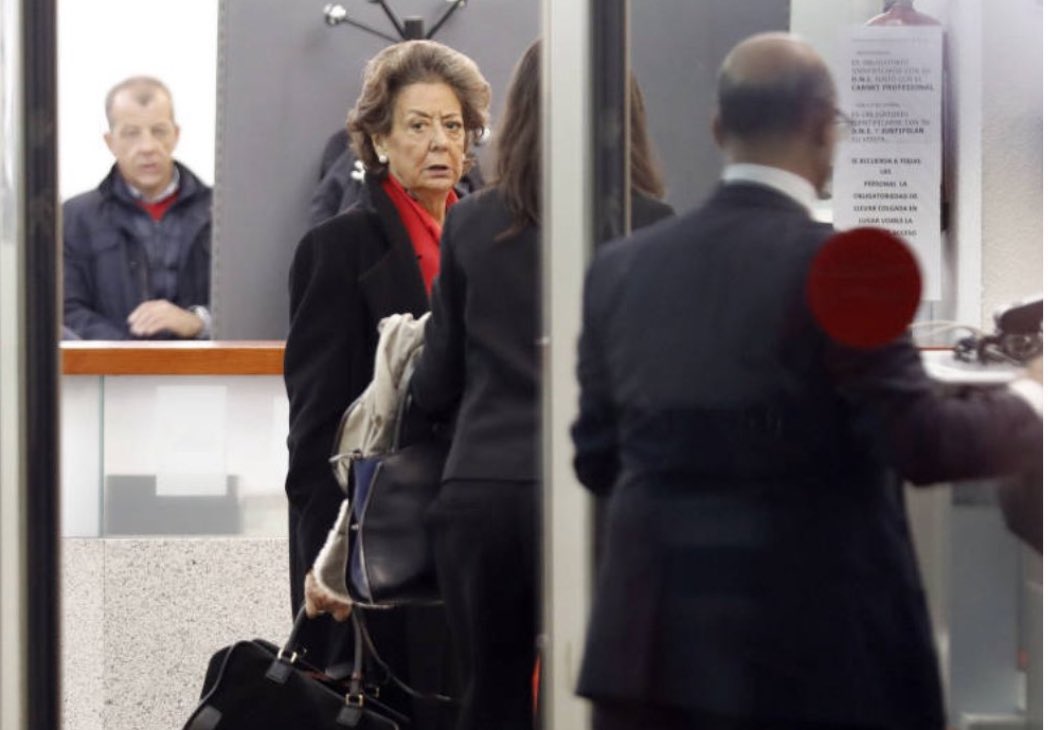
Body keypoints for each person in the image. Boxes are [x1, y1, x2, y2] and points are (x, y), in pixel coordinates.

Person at [572, 32, 1043, 730]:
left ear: (717, 128)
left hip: (651, 654)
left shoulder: (619, 270)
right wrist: (1027, 399)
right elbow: (920, 440)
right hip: (809, 653)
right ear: (828, 130)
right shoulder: (852, 267)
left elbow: (596, 458)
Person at [407, 39, 674, 730]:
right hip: (603, 494)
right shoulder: (652, 228)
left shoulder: (469, 222)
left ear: (519, 114)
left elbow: (436, 383)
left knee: (489, 697)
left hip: (486, 492)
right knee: (601, 699)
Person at [284, 39, 490, 726]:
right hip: (389, 552)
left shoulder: (497, 241)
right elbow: (316, 431)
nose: (440, 143)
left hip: (482, 539)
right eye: (418, 125)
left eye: (453, 126)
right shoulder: (339, 249)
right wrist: (327, 567)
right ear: (377, 138)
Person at [63, 76, 212, 340]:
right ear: (110, 142)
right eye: (131, 133)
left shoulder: (218, 214)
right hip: (112, 376)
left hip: (206, 376)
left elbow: (251, 304)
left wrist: (197, 322)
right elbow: (66, 310)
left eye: (159, 131)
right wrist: (127, 352)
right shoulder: (74, 219)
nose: (147, 147)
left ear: (176, 135)